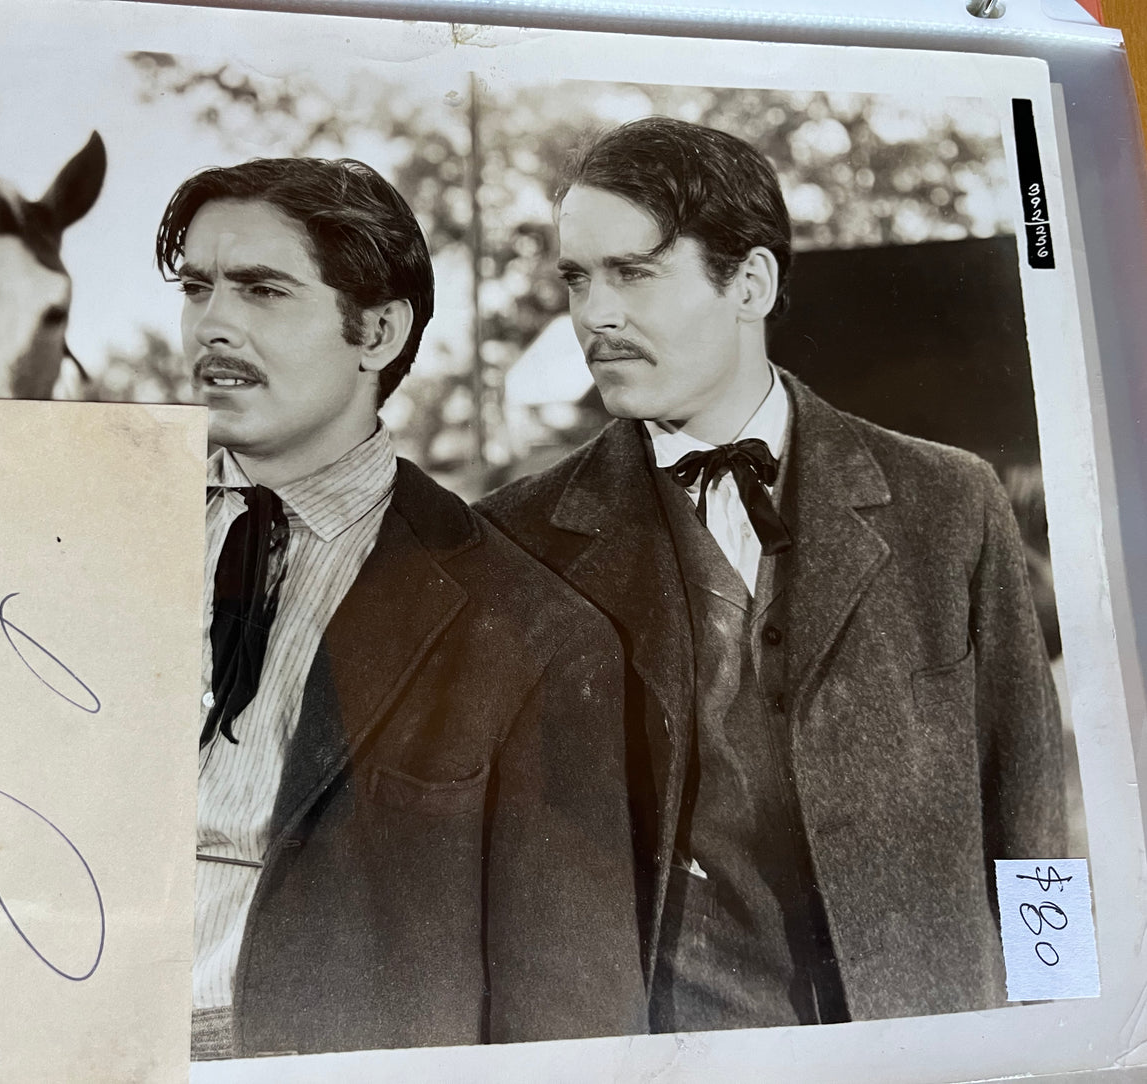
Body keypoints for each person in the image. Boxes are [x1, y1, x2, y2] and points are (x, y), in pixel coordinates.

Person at [477, 117, 1066, 1031]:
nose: (594, 314)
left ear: (748, 283)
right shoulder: (514, 542)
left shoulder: (949, 501)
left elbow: (1027, 805)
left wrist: (1057, 1017)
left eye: (633, 272)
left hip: (931, 1038)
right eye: (577, 278)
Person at [156, 156, 646, 1059]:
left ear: (377, 332)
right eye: (197, 288)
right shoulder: (82, 532)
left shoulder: (529, 627)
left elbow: (568, 1011)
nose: (212, 323)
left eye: (263, 290)